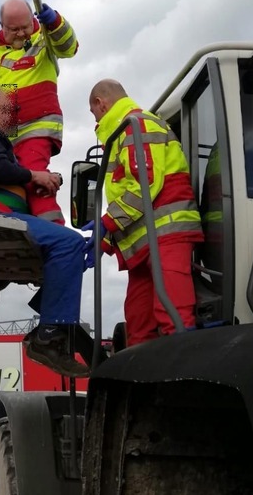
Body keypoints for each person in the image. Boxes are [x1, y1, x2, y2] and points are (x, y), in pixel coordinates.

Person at [0, 86, 87, 376]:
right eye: (4, 110)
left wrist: (37, 180)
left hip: (4, 216)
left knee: (79, 250)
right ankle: (49, 333)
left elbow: (2, 171)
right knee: (70, 243)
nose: (10, 117)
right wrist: (33, 174)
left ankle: (58, 319)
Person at [87, 79, 204, 346]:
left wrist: (106, 224)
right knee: (139, 324)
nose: (94, 119)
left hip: (167, 234)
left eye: (92, 112)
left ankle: (181, 381)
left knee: (174, 317)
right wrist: (104, 241)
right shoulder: (123, 134)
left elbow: (145, 183)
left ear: (100, 103)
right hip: (143, 243)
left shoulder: (137, 125)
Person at [0, 0, 78, 223]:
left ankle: (54, 229)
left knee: (34, 177)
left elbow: (69, 48)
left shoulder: (44, 39)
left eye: (26, 26)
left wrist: (55, 22)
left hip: (35, 128)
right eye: (15, 29)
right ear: (2, 26)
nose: (22, 33)